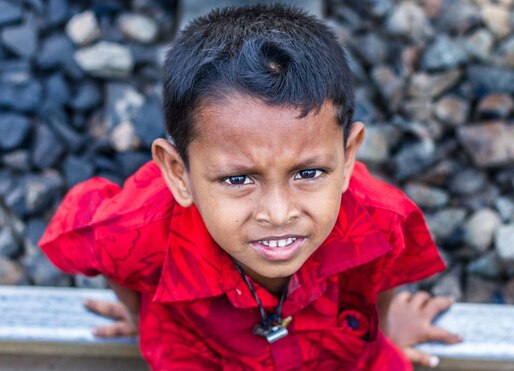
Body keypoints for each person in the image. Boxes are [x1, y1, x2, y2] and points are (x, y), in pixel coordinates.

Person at [39, 5, 461, 370]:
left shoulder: (380, 218)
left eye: (308, 173)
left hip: (335, 354)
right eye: (238, 179)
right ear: (178, 173)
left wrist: (385, 330)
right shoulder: (138, 228)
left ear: (348, 157)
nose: (278, 214)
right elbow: (102, 248)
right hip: (201, 354)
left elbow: (380, 277)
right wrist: (139, 315)